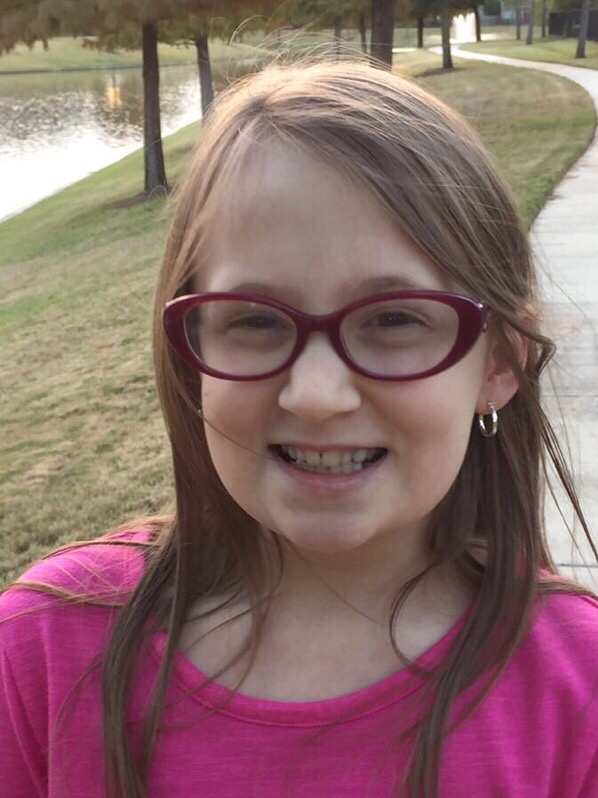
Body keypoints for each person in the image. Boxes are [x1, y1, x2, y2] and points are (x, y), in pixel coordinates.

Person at [1, 60, 597, 798]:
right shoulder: (41, 651)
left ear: (498, 362)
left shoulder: (577, 694)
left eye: (394, 319)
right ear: (193, 355)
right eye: (255, 320)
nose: (316, 395)